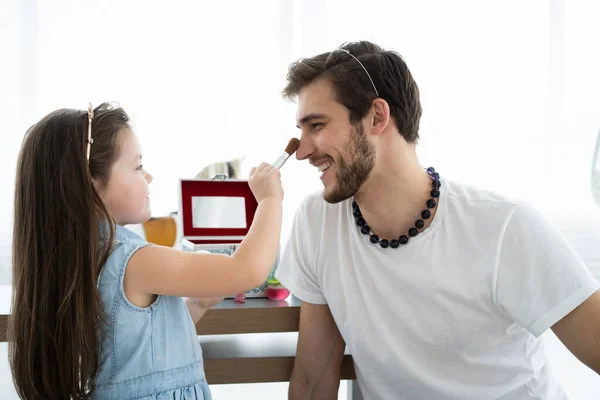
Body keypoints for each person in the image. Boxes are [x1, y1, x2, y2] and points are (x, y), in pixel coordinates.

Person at [275, 41, 600, 400]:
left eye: (316, 126)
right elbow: (313, 378)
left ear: (377, 118)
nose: (302, 150)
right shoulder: (316, 222)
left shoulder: (503, 227)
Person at [9, 102, 283, 399]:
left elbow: (136, 345)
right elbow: (248, 271)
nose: (148, 176)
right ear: (89, 181)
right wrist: (270, 200)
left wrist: (197, 305)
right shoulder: (136, 260)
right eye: (138, 166)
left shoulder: (80, 254)